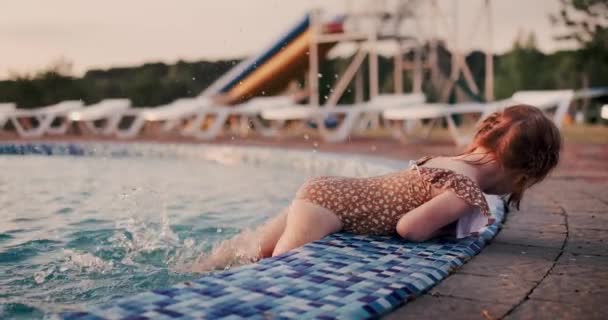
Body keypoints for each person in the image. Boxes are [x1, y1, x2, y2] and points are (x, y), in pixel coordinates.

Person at [193, 104, 561, 273]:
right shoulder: (466, 192)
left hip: (325, 193)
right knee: (278, 270)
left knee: (254, 252)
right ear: (522, 176)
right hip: (329, 209)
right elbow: (410, 228)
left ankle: (199, 270)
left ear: (482, 138)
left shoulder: (446, 163)